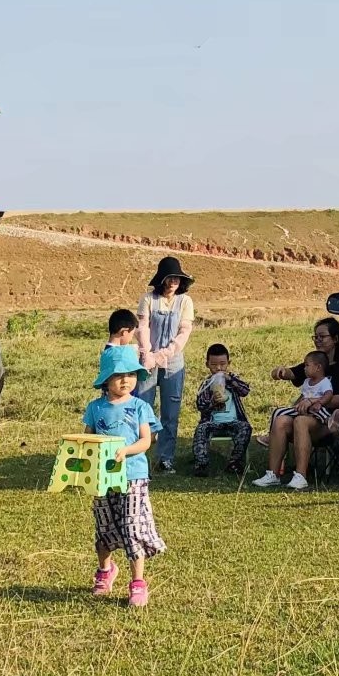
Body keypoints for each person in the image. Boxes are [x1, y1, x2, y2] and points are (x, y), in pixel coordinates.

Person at [83, 343, 165, 607]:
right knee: (104, 526)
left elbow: (146, 441)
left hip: (134, 476)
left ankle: (138, 583)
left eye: (131, 374)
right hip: (102, 478)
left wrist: (125, 451)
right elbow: (87, 439)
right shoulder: (95, 408)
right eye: (119, 375)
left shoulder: (141, 407)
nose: (126, 380)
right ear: (106, 380)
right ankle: (105, 571)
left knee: (131, 526)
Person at [255, 317, 339, 491]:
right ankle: (273, 474)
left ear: (336, 339)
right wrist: (280, 372)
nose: (317, 340)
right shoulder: (312, 365)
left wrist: (314, 402)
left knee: (300, 421)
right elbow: (292, 373)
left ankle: (300, 476)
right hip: (308, 418)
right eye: (315, 337)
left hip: (330, 424)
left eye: (322, 337)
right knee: (281, 420)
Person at [135, 257, 195, 474]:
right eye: (169, 278)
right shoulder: (148, 299)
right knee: (143, 408)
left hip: (173, 361)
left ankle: (165, 458)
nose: (172, 283)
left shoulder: (185, 302)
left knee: (171, 411)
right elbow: (142, 327)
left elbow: (184, 332)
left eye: (176, 279)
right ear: (161, 279)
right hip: (147, 360)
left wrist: (164, 354)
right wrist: (146, 353)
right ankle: (139, 457)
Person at [190, 343, 253, 476]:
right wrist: (212, 401)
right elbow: (200, 405)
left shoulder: (233, 380)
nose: (218, 368)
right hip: (212, 422)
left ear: (228, 363)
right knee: (201, 429)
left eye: (222, 364)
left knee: (245, 427)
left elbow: (245, 390)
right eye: (214, 365)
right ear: (207, 364)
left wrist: (230, 380)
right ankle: (201, 464)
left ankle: (235, 463)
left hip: (233, 421)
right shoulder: (206, 384)